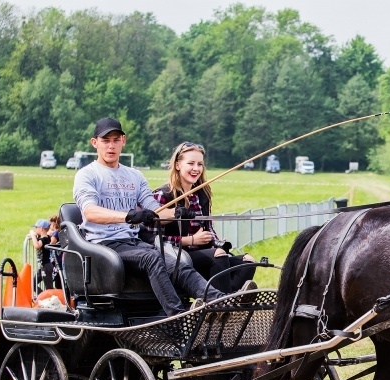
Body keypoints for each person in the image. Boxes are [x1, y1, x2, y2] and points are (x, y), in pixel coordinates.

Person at [72, 117, 228, 316]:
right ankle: (177, 317)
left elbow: (155, 211)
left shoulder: (134, 176)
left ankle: (218, 301)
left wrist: (177, 213)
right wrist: (130, 216)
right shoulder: (87, 175)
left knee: (176, 263)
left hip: (133, 242)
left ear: (123, 141)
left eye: (115, 140)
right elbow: (90, 212)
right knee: (153, 257)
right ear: (95, 143)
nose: (111, 146)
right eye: (105, 141)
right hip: (104, 245)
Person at [153, 142, 257, 294]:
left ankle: (230, 301)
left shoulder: (201, 195)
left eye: (200, 164)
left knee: (248, 261)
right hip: (176, 256)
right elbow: (151, 239)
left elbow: (209, 227)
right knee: (218, 256)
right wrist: (190, 240)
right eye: (191, 163)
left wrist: (217, 242)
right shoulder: (163, 195)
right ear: (177, 165)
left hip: (204, 253)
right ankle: (221, 306)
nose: (196, 169)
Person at [29, 219, 54, 290]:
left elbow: (37, 246)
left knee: (49, 287)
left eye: (36, 228)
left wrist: (33, 235)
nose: (35, 229)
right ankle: (43, 297)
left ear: (41, 229)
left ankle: (50, 298)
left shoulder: (44, 239)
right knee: (32, 284)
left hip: (46, 267)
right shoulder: (46, 237)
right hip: (43, 266)